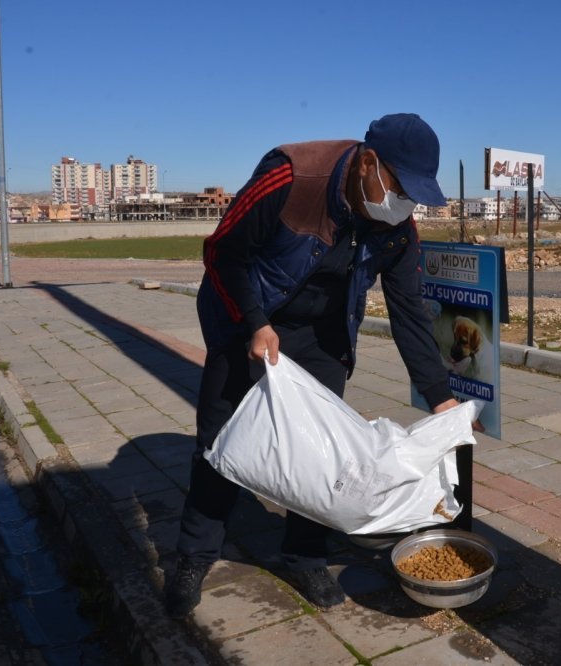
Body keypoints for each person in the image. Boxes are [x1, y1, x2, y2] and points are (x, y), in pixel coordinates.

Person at [166, 113, 464, 617]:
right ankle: (194, 556)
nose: (405, 204)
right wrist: (256, 323)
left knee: (325, 455)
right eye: (401, 189)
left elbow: (409, 311)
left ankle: (304, 557)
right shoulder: (292, 176)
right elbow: (224, 254)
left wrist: (440, 397)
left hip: (324, 333)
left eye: (414, 196)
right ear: (369, 163)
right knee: (220, 442)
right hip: (247, 317)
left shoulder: (397, 228)